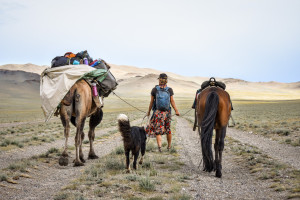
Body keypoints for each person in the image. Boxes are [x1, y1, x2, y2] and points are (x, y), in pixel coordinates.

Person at [146, 73, 180, 152]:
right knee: (168, 129)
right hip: (167, 113)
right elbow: (172, 101)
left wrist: (148, 112)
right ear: (166, 80)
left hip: (158, 113)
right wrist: (176, 110)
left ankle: (160, 148)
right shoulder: (169, 89)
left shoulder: (154, 89)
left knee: (158, 130)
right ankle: (169, 147)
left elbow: (151, 102)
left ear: (159, 80)